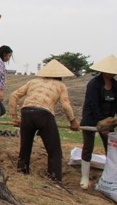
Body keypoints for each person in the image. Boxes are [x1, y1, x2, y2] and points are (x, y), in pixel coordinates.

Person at [8, 59, 80, 182]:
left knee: (25, 147)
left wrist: (15, 117)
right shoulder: (60, 85)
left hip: (27, 112)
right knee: (54, 151)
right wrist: (72, 121)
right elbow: (66, 105)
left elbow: (13, 95)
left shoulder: (33, 81)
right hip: (44, 115)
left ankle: (22, 173)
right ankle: (54, 179)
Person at [80, 55, 117, 189]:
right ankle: (85, 176)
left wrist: (110, 122)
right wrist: (101, 123)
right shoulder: (94, 84)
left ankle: (109, 177)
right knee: (88, 147)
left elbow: (114, 105)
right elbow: (93, 104)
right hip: (91, 119)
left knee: (111, 149)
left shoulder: (115, 85)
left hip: (107, 121)